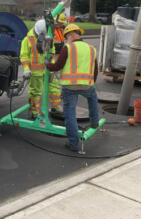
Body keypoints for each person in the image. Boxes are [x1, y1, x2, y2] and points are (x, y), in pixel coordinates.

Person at [45, 23, 100, 151]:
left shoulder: (67, 48)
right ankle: (94, 121)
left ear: (70, 35)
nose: (66, 39)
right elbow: (95, 70)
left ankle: (73, 144)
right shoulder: (92, 48)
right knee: (92, 99)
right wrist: (91, 83)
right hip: (87, 85)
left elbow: (58, 66)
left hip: (69, 87)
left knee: (70, 114)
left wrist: (48, 64)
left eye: (66, 37)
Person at [20, 19, 62, 118]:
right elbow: (24, 56)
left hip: (47, 70)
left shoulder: (48, 37)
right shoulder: (27, 40)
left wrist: (52, 67)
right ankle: (34, 113)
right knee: (35, 93)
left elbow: (52, 52)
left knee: (55, 88)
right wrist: (26, 69)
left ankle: (55, 108)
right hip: (35, 73)